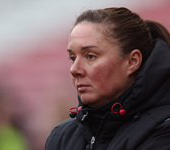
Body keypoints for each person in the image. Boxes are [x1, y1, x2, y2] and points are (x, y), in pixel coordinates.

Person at [45, 7, 170, 150]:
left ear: (132, 61)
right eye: (72, 58)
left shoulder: (163, 130)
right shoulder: (61, 137)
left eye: (90, 56)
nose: (74, 70)